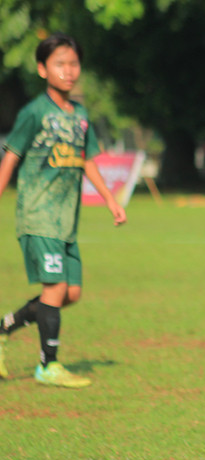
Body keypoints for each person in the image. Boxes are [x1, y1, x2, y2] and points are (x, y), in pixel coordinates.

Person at [0, 33, 127, 388]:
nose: (68, 71)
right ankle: (48, 365)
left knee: (69, 294)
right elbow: (10, 159)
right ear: (43, 69)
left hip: (66, 221)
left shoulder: (81, 115)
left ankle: (4, 328)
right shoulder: (34, 112)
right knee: (54, 290)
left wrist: (111, 200)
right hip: (38, 215)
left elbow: (88, 161)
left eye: (73, 64)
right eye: (60, 64)